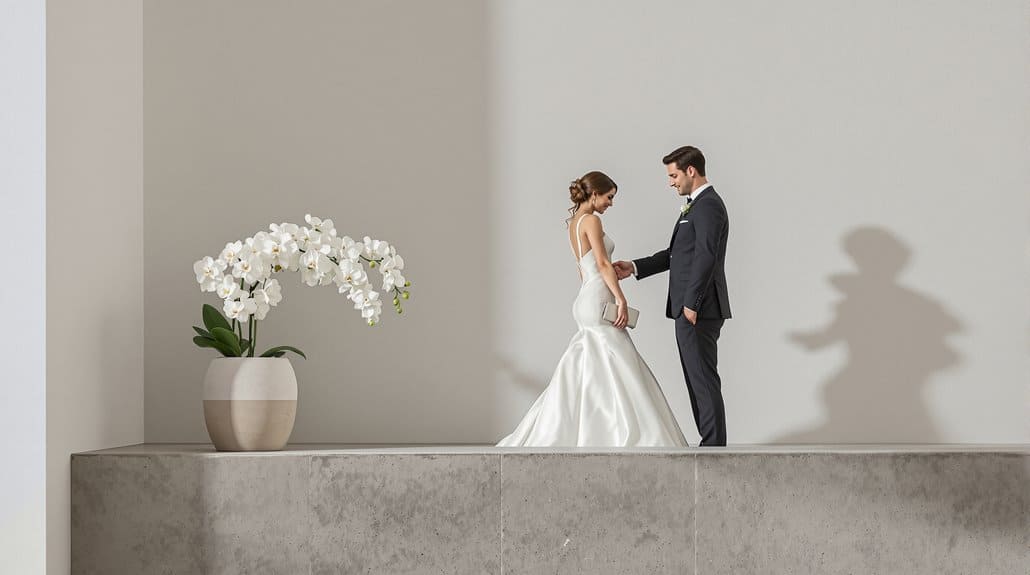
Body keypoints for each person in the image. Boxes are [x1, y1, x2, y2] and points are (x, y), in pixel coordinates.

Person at [497, 171, 687, 447]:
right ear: (595, 193)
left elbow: (583, 269)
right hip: (598, 297)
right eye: (609, 197)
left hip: (586, 296)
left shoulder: (574, 223)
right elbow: (602, 263)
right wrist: (619, 299)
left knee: (591, 363)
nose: (610, 203)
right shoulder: (592, 221)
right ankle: (618, 433)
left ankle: (586, 431)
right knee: (614, 361)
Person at [614, 146, 731, 446]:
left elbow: (706, 255)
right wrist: (635, 267)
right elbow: (676, 255)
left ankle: (714, 448)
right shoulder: (696, 206)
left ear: (690, 171)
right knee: (696, 381)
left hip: (698, 309)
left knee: (703, 380)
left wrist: (692, 303)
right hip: (689, 309)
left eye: (674, 175)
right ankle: (710, 444)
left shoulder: (709, 206)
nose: (671, 182)